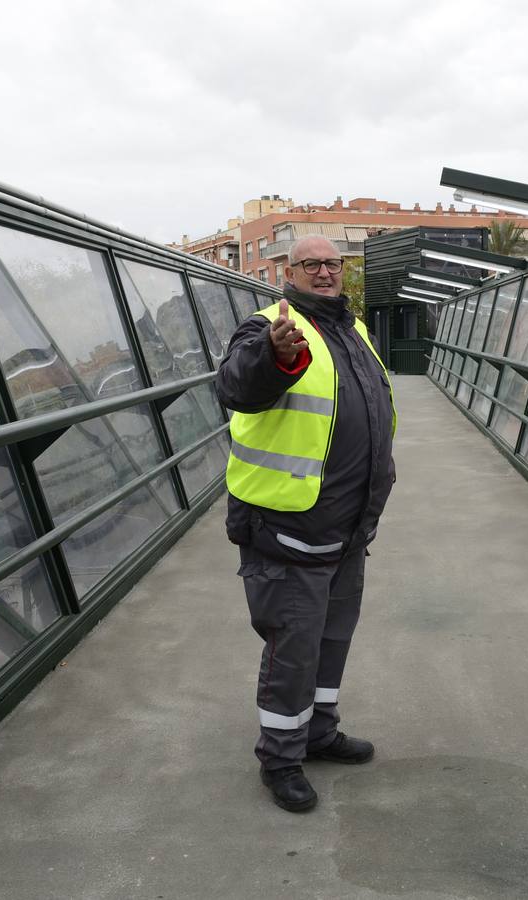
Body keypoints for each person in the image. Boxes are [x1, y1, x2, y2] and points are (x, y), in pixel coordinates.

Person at [215, 235, 396, 812]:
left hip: (347, 528)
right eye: (311, 264)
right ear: (286, 272)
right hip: (289, 527)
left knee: (331, 640)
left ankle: (318, 731)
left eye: (332, 264)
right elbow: (238, 385)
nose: (324, 272)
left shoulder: (352, 330)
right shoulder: (266, 328)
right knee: (292, 646)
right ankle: (281, 759)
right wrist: (276, 355)